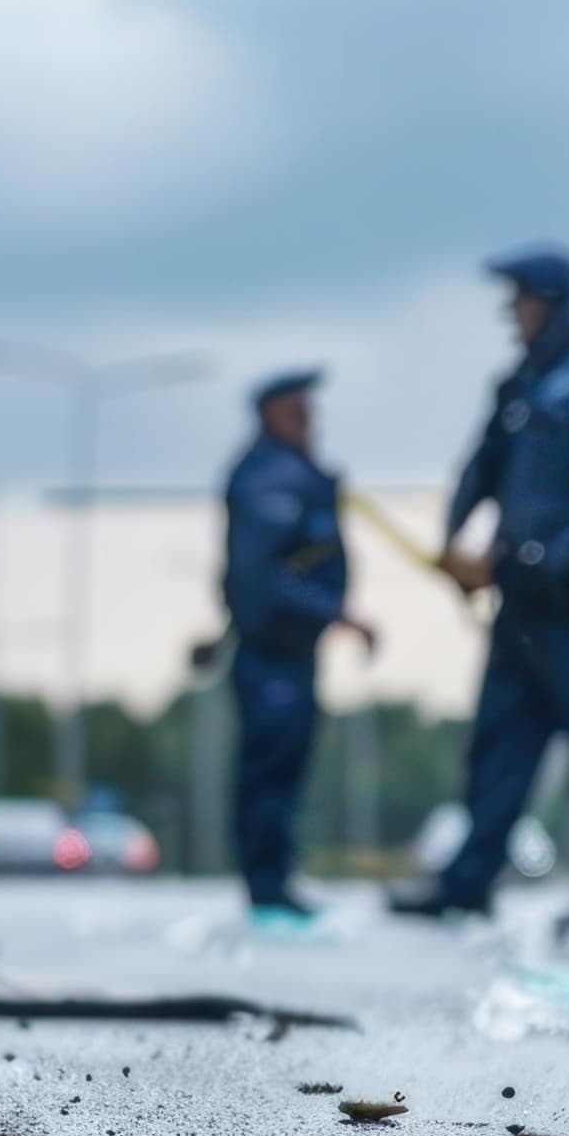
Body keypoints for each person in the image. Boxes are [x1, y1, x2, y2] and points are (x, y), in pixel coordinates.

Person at [388, 246, 569, 929]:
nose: (511, 311)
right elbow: (480, 468)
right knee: (499, 749)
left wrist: (540, 556)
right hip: (521, 609)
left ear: (550, 300)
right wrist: (454, 539)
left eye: (520, 298)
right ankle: (467, 885)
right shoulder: (519, 385)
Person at [219, 369, 371, 925]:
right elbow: (264, 576)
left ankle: (276, 878)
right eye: (300, 411)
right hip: (271, 652)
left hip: (289, 652)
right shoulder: (271, 478)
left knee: (284, 768)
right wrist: (335, 612)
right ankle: (267, 885)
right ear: (274, 413)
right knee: (270, 770)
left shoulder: (293, 473)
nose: (311, 422)